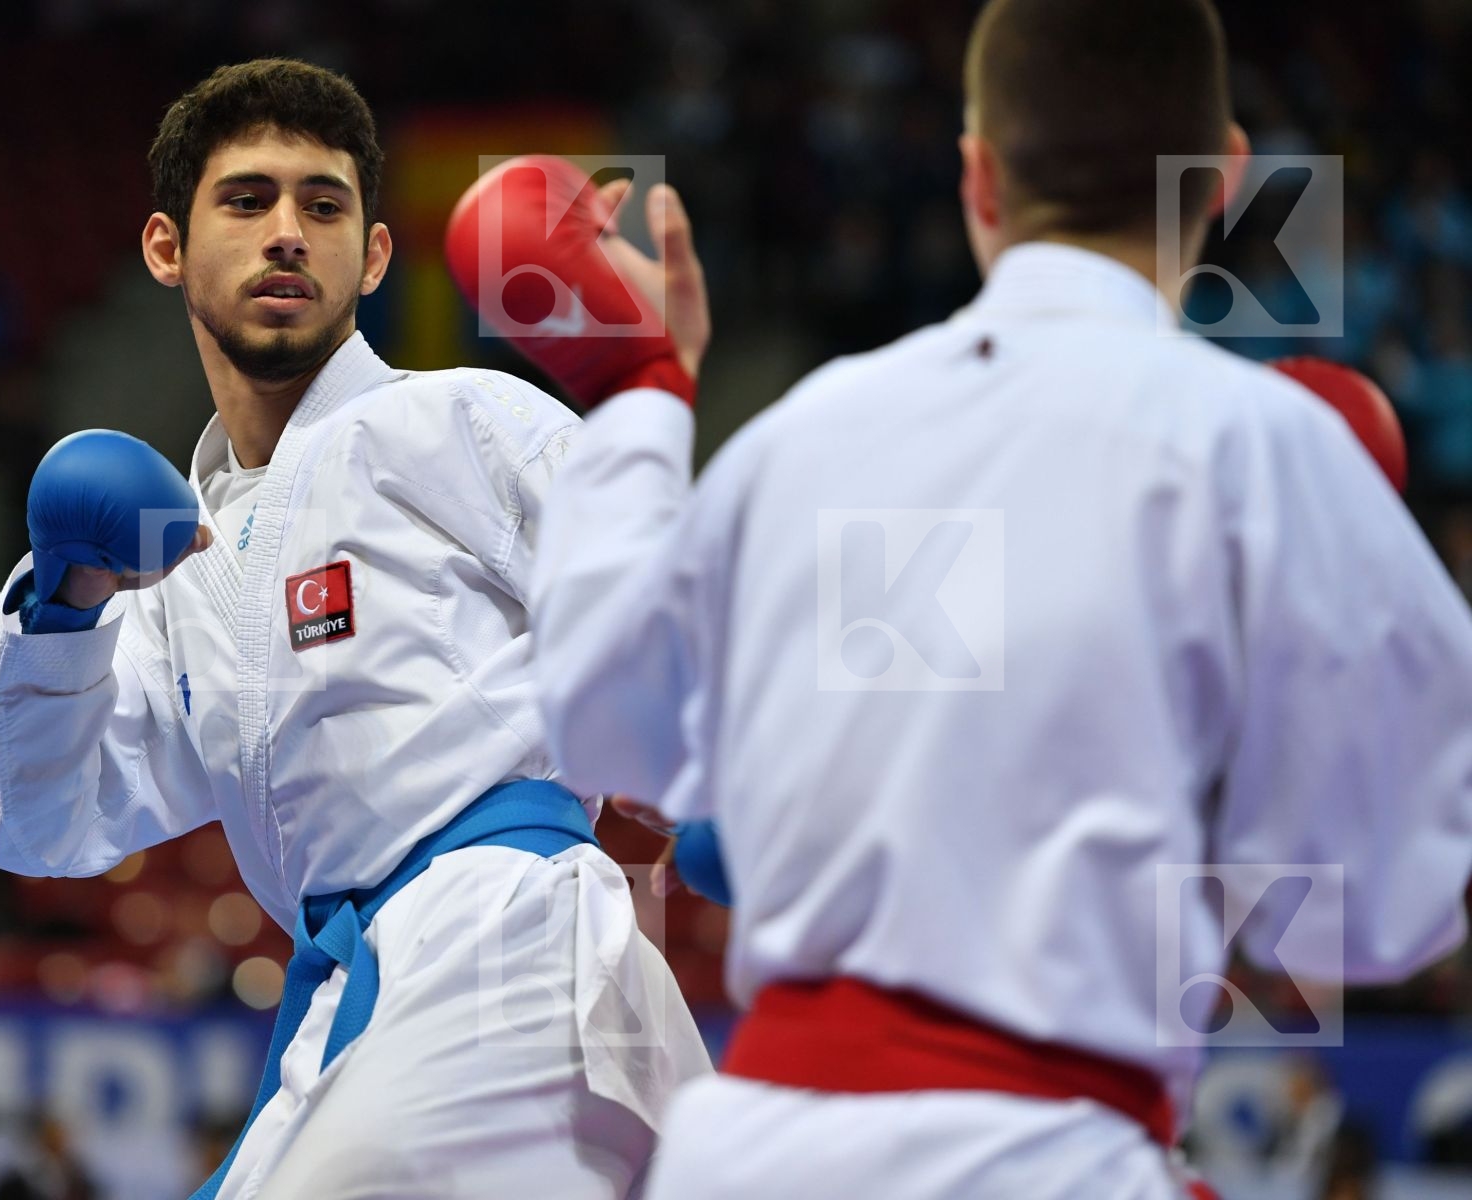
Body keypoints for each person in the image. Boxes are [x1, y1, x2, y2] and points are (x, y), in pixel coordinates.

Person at [494, 1, 1472, 1196]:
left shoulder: (807, 428)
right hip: (1037, 1153)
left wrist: (644, 391)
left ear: (976, 177)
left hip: (750, 1151)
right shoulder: (1266, 450)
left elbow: (602, 730)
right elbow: (1377, 915)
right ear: (1221, 175)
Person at [0, 58, 709, 1200]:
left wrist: (724, 795)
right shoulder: (162, 562)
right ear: (167, 248)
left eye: (324, 204)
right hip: (354, 1005)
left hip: (499, 945)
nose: (289, 232)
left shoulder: (462, 418)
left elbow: (682, 602)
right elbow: (28, 822)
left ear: (374, 252)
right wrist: (62, 610)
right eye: (247, 200)